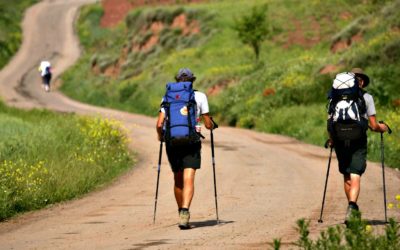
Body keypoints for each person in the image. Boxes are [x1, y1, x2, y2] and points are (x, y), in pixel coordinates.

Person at [328, 68, 388, 224]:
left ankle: (351, 209)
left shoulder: (334, 97)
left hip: (340, 139)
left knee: (347, 176)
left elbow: (330, 123)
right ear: (360, 82)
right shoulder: (366, 97)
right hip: (358, 140)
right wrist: (384, 127)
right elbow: (374, 126)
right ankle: (352, 206)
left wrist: (332, 140)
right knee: (355, 174)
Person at [156, 68, 214, 229]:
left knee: (178, 179)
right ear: (192, 81)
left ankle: (180, 211)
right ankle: (185, 210)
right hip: (192, 142)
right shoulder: (200, 96)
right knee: (189, 178)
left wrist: (160, 137)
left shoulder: (168, 96)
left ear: (177, 81)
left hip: (172, 142)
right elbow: (208, 124)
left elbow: (160, 124)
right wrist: (211, 123)